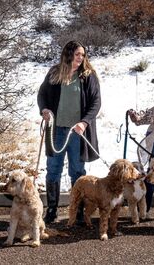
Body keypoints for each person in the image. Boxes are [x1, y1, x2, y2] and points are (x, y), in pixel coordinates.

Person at [37, 40, 101, 224]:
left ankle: (78, 210)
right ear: (68, 54)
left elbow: (96, 103)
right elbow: (42, 95)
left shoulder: (88, 75)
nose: (81, 58)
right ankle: (52, 209)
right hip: (56, 130)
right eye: (77, 54)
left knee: (77, 171)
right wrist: (45, 110)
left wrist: (84, 122)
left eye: (83, 54)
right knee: (53, 169)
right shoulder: (55, 73)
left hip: (78, 133)